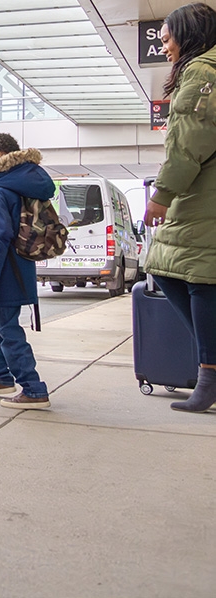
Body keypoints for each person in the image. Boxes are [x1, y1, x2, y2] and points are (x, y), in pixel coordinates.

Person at [143, 3, 216, 413]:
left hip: (204, 195)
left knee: (194, 277)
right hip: (205, 193)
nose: (164, 45)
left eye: (168, 37)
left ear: (189, 35)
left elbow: (187, 146)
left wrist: (161, 195)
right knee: (191, 275)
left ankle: (210, 375)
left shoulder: (202, 73)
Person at [0, 133, 53, 409]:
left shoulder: (0, 192)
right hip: (16, 269)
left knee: (6, 329)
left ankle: (33, 388)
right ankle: (1, 376)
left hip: (3, 274)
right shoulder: (20, 186)